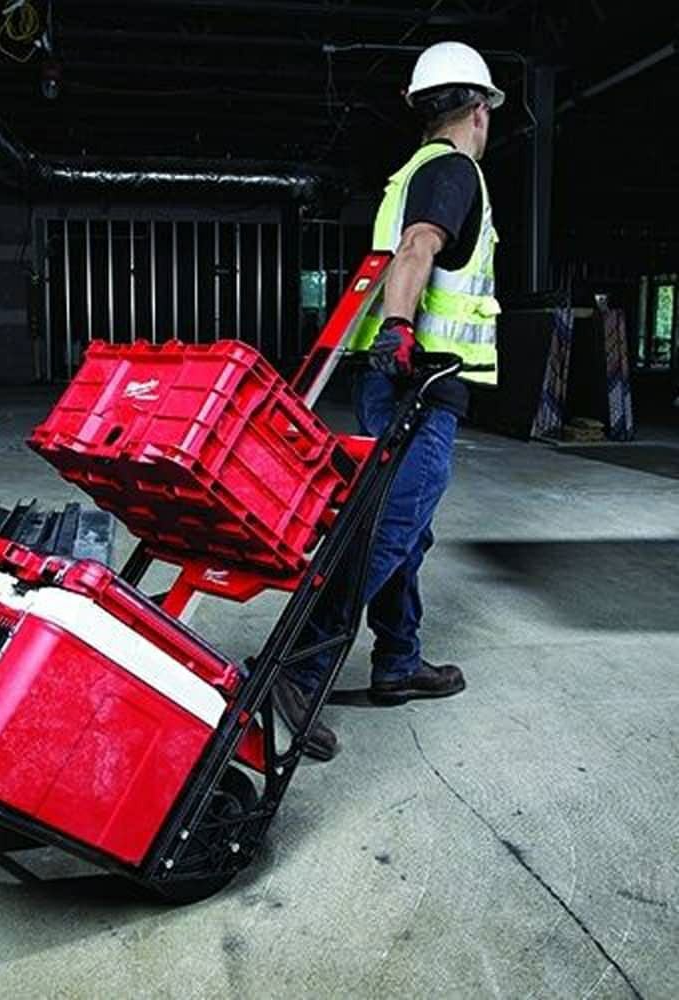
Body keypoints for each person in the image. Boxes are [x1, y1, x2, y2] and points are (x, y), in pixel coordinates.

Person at [273, 41, 504, 761]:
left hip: (395, 379)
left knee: (403, 528)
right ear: (478, 108)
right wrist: (401, 329)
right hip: (418, 382)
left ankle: (398, 662)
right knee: (390, 527)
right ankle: (293, 673)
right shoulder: (453, 170)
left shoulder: (409, 173)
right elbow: (417, 248)